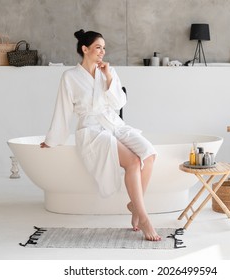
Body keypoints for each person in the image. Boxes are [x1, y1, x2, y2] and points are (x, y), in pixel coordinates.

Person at [40, 29, 161, 241]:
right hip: (91, 129)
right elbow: (63, 110)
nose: (102, 52)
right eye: (98, 47)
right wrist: (53, 140)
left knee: (149, 154)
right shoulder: (69, 77)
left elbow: (119, 103)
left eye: (104, 48)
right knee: (132, 161)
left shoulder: (108, 71)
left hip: (114, 123)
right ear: (84, 49)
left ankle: (134, 204)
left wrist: (108, 78)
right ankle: (143, 218)